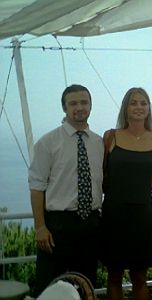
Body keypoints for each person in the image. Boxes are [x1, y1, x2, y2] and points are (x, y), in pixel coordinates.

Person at [28, 84, 104, 296]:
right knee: (49, 286)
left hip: (90, 225)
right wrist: (40, 227)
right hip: (57, 227)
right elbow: (36, 186)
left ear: (90, 105)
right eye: (73, 103)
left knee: (86, 286)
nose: (79, 107)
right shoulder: (48, 142)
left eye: (84, 102)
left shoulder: (98, 143)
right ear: (64, 108)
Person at [101, 87, 152, 300]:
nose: (139, 107)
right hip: (113, 215)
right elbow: (101, 175)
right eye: (133, 103)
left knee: (140, 277)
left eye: (143, 103)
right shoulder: (111, 137)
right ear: (125, 108)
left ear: (149, 109)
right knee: (114, 277)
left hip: (142, 217)